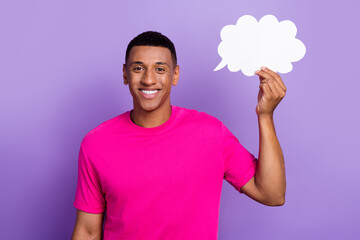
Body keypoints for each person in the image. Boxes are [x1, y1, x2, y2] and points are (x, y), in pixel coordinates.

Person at [71, 31, 286, 240]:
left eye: (160, 69)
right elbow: (88, 232)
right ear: (125, 74)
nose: (148, 79)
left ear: (175, 75)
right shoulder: (96, 143)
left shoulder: (211, 134)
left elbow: (272, 194)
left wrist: (265, 116)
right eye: (138, 68)